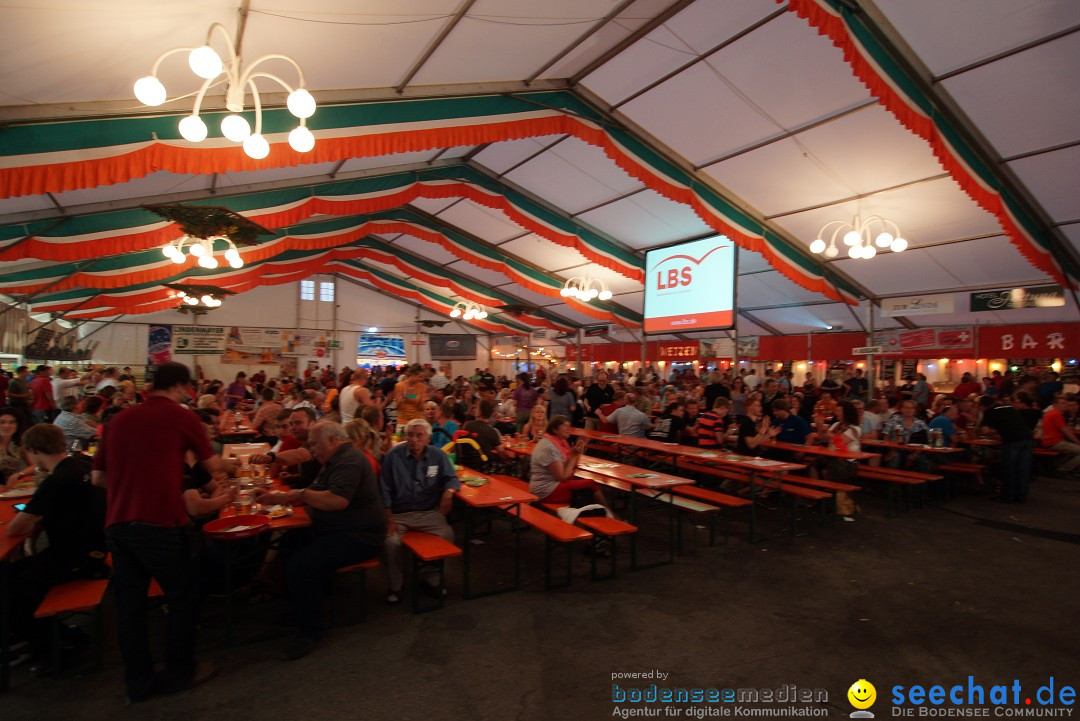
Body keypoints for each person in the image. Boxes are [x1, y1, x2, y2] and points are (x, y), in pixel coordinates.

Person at [90, 361, 226, 702]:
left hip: (119, 524)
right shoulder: (181, 417)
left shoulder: (119, 419)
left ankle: (138, 683)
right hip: (161, 523)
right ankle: (180, 672)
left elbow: (98, 478)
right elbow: (211, 466)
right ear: (181, 386)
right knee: (183, 598)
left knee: (130, 607)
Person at [255, 421, 384, 659]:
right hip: (336, 529)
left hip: (360, 536)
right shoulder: (335, 459)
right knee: (289, 543)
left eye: (314, 444)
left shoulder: (350, 461)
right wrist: (283, 496)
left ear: (332, 440)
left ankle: (310, 631)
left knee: (302, 566)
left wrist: (293, 496)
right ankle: (304, 605)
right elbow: (315, 490)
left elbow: (337, 501)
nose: (311, 449)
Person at [5, 424, 107, 671]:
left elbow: (13, 529)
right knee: (11, 576)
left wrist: (36, 518)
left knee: (11, 589)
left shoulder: (56, 481)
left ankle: (58, 643)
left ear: (33, 450)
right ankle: (39, 637)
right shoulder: (82, 464)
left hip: (76, 558)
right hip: (95, 548)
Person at [380, 419, 460, 605]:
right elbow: (383, 489)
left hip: (427, 513)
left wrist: (448, 493)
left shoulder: (437, 456)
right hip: (399, 514)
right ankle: (396, 585)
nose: (414, 439)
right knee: (389, 542)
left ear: (428, 439)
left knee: (447, 534)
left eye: (419, 435)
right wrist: (388, 517)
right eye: (410, 435)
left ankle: (432, 579)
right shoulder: (393, 456)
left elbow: (451, 478)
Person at [529, 415, 609, 507]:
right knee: (590, 484)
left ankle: (600, 514)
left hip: (547, 486)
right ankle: (609, 516)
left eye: (569, 427)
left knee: (587, 487)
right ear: (555, 429)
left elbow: (568, 468)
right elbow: (562, 477)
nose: (568, 429)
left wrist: (577, 452)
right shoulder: (549, 447)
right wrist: (573, 455)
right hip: (545, 491)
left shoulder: (558, 443)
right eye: (565, 426)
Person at [978, 395, 1035, 503]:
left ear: (982, 406)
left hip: (1012, 441)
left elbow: (984, 431)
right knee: (1022, 469)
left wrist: (994, 432)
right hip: (1027, 439)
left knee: (1009, 469)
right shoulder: (1009, 408)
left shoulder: (990, 411)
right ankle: (1021, 496)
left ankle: (1007, 496)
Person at [1039, 394, 1080, 476]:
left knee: (1072, 451)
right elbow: (1066, 431)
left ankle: (1061, 468)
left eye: (1065, 403)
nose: (1066, 405)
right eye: (1063, 403)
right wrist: (1078, 442)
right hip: (1054, 441)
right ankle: (1062, 470)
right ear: (1055, 405)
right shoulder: (1056, 414)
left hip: (1049, 441)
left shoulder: (1052, 413)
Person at [0, 406, 32, 488]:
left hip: (18, 485)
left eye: (12, 422)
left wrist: (18, 475)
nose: (7, 426)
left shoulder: (19, 442)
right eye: (2, 422)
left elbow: (35, 465)